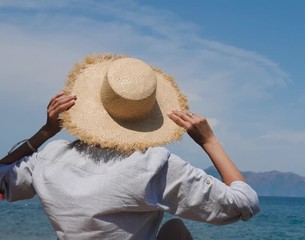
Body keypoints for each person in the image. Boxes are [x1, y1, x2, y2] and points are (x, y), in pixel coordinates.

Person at [0, 54, 260, 240]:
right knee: (175, 231)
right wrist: (209, 142)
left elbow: (2, 177)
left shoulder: (51, 157)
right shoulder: (153, 166)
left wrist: (45, 132)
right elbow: (242, 203)